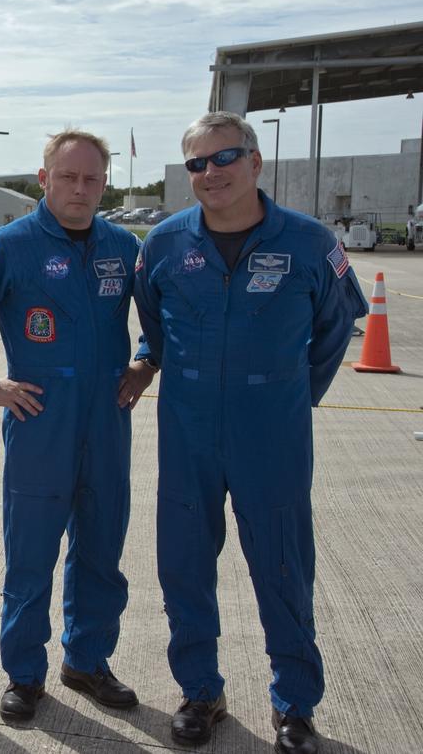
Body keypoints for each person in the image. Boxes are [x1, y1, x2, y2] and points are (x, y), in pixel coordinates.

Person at [135, 111, 367, 753]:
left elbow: (335, 328)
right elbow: (153, 325)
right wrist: (147, 360)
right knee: (183, 564)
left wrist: (293, 396)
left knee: (283, 565)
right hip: (186, 432)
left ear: (256, 162)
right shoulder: (162, 244)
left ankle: (295, 705)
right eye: (197, 163)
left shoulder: (309, 241)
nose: (211, 173)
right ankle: (200, 690)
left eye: (225, 158)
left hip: (273, 435)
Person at [0, 130, 153, 720]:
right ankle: (24, 673)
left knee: (102, 550)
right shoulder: (10, 246)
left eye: (91, 179)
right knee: (31, 554)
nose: (80, 189)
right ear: (43, 179)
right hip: (40, 421)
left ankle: (87, 660)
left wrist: (145, 361)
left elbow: (163, 309)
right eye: (68, 177)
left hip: (107, 419)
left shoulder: (122, 244)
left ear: (105, 183)